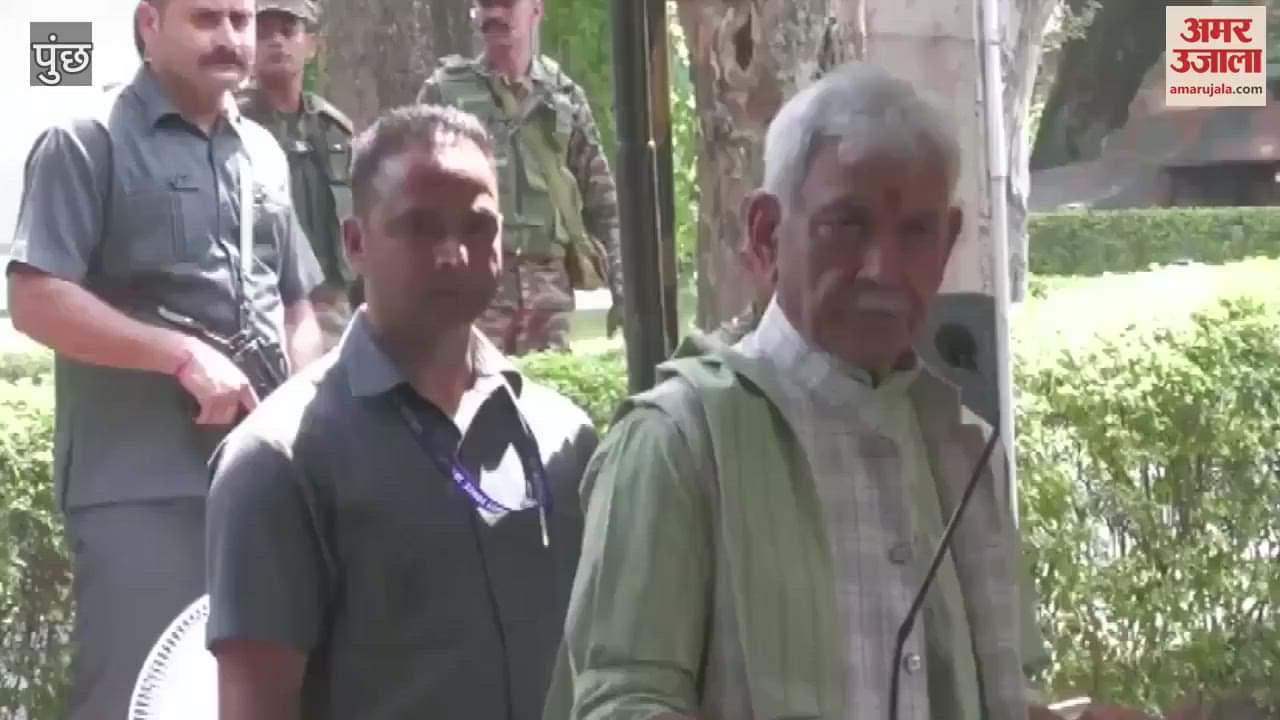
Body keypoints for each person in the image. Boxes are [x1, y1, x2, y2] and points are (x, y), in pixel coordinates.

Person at [548, 62, 1126, 720]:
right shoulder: (678, 441)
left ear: (948, 243)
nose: (883, 267)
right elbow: (622, 704)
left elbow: (986, 694)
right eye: (848, 225)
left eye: (916, 232)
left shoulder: (959, 448)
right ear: (766, 235)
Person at [205, 104, 599, 720]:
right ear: (354, 242)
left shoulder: (562, 439)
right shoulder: (279, 463)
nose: (453, 254)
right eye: (419, 227)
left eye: (477, 228)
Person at [5, 0, 324, 717]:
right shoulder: (87, 140)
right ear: (150, 25)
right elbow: (36, 297)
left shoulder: (263, 153)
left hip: (260, 476)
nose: (232, 38)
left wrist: (302, 402)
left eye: (241, 21)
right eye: (207, 19)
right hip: (141, 487)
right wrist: (178, 354)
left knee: (264, 691)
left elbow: (300, 301)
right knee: (138, 693)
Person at [416, 0, 623, 355]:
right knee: (475, 398)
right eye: (486, 4)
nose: (495, 14)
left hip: (549, 294)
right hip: (476, 290)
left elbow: (602, 200)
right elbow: (417, 195)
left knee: (547, 397)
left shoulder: (565, 98)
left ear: (537, 11)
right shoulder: (444, 92)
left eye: (508, 4)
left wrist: (623, 289)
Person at [237, 0, 358, 350]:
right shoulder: (231, 126)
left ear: (312, 45)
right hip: (262, 303)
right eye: (263, 33)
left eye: (289, 31)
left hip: (332, 301)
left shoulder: (334, 129)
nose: (276, 42)